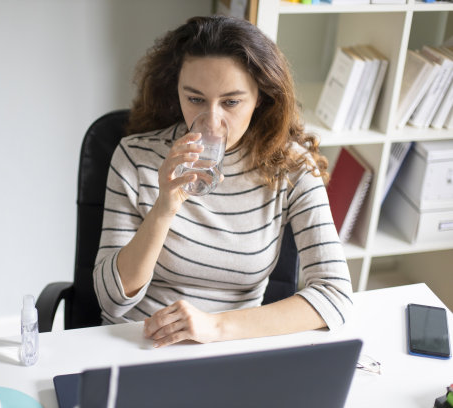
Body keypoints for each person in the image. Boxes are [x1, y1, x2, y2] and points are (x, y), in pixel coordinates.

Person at [93, 15, 353, 348]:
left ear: (260, 96)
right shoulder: (135, 157)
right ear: (177, 91)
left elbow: (335, 295)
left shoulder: (292, 167)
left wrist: (213, 328)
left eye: (231, 102)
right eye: (195, 99)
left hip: (230, 346)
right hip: (137, 343)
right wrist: (164, 208)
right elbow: (111, 301)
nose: (211, 121)